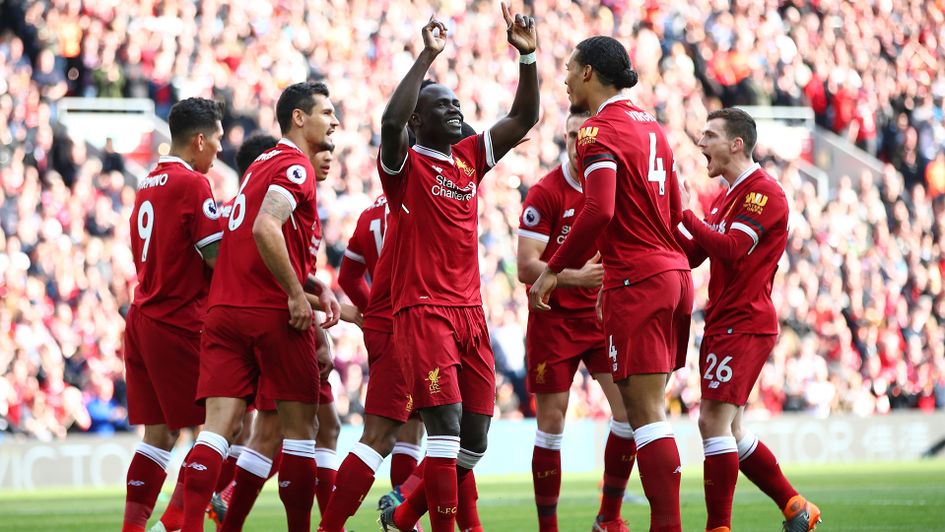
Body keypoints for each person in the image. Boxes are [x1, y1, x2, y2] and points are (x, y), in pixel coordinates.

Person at [376, 5, 539, 531]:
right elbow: (390, 121)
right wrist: (428, 56)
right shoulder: (404, 165)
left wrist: (528, 56)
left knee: (475, 439)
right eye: (441, 104)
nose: (454, 108)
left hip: (471, 312)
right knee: (443, 428)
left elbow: (523, 119)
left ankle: (403, 517)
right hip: (424, 312)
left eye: (456, 103)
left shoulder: (469, 158)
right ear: (420, 120)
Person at [530, 36, 693, 532]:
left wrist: (554, 268)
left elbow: (599, 209)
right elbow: (675, 213)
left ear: (587, 73)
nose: (562, 78)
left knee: (646, 418)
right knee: (644, 414)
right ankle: (617, 519)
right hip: (671, 275)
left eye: (567, 68)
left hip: (640, 281)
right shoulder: (653, 127)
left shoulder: (598, 131)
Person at [178, 81, 340, 532]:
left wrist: (310, 284)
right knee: (301, 434)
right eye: (326, 113)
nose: (335, 121)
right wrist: (295, 294)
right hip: (270, 312)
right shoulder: (294, 167)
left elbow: (253, 234)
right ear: (299, 118)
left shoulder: (257, 166)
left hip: (225, 310)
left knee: (216, 432)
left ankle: (195, 526)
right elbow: (266, 229)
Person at [675, 107, 821, 532]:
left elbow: (733, 249)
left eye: (709, 136)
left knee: (712, 423)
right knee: (733, 430)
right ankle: (795, 507)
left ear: (736, 143)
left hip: (745, 321)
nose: (700, 144)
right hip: (725, 319)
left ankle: (718, 526)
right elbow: (696, 254)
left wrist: (685, 214)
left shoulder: (764, 193)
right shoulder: (727, 195)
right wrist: (659, 227)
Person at [213, 141, 352, 531]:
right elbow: (266, 259)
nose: (328, 155)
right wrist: (304, 300)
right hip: (275, 320)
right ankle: (327, 525)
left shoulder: (253, 202)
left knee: (274, 431)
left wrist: (315, 288)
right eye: (323, 150)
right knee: (302, 431)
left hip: (246, 315)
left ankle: (221, 508)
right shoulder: (290, 180)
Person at [517, 110, 638, 531]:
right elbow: (525, 267)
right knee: (552, 422)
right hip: (554, 320)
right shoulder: (546, 193)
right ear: (564, 138)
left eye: (583, 135)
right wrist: (575, 277)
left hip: (602, 318)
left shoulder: (610, 187)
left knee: (629, 413)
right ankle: (548, 527)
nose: (577, 143)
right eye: (571, 135)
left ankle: (609, 517)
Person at [120, 97, 224, 532]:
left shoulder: (148, 182)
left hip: (143, 315)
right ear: (199, 140)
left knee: (159, 436)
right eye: (216, 140)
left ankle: (135, 527)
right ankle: (177, 522)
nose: (219, 149)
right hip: (179, 318)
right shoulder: (194, 185)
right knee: (225, 420)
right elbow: (216, 256)